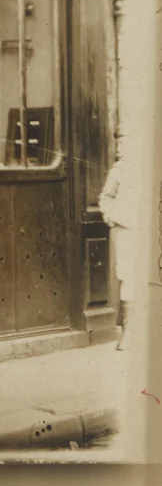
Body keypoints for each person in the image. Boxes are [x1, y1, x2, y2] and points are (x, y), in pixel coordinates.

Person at [99, 133, 137, 351]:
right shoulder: (119, 170)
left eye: (125, 142)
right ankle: (129, 331)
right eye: (119, 143)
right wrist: (110, 216)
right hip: (126, 228)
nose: (120, 147)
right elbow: (106, 196)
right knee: (128, 277)